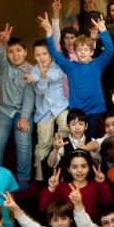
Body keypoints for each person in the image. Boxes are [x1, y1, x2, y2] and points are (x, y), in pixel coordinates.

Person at [42, 12, 114, 139]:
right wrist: (49, 34)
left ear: (91, 52)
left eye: (86, 49)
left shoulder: (97, 64)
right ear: (75, 51)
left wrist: (103, 31)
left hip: (94, 111)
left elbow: (110, 51)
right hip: (76, 112)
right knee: (77, 143)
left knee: (90, 141)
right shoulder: (70, 66)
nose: (82, 52)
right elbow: (54, 52)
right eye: (79, 50)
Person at [0, 24, 34, 190]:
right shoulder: (3, 67)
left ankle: (22, 179)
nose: (15, 55)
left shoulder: (32, 70)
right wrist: (2, 44)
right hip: (3, 110)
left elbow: (30, 96)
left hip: (24, 111)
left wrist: (24, 117)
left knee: (23, 141)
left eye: (18, 51)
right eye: (11, 51)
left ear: (25, 52)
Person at [26, 38, 69, 183]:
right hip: (44, 111)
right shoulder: (34, 71)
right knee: (43, 144)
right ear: (33, 56)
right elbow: (41, 90)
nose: (41, 58)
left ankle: (55, 143)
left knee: (66, 126)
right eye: (38, 55)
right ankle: (40, 177)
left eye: (44, 54)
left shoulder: (57, 67)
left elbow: (56, 77)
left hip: (60, 107)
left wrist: (41, 77)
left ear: (51, 54)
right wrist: (39, 77)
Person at [40, 149, 113, 222]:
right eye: (74, 167)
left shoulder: (96, 184)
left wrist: (102, 184)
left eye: (83, 166)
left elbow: (110, 205)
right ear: (68, 169)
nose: (79, 170)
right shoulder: (62, 187)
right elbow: (43, 209)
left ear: (89, 168)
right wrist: (51, 188)